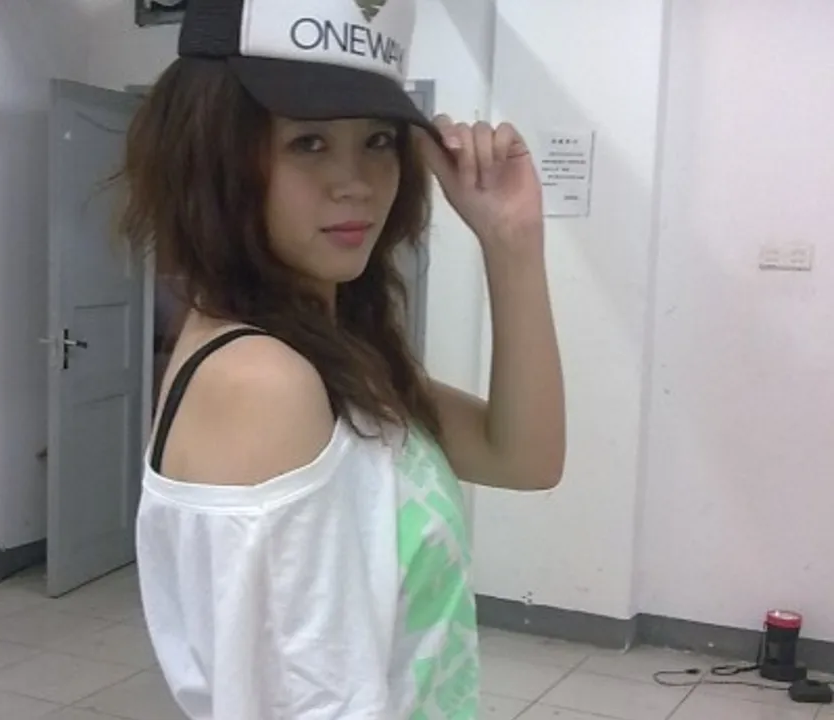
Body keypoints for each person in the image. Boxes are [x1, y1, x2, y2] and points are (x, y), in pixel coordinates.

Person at [123, 0, 566, 717]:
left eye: (378, 141)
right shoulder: (265, 380)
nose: (356, 181)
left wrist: (512, 242)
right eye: (309, 143)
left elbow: (523, 458)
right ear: (213, 155)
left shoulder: (330, 354)